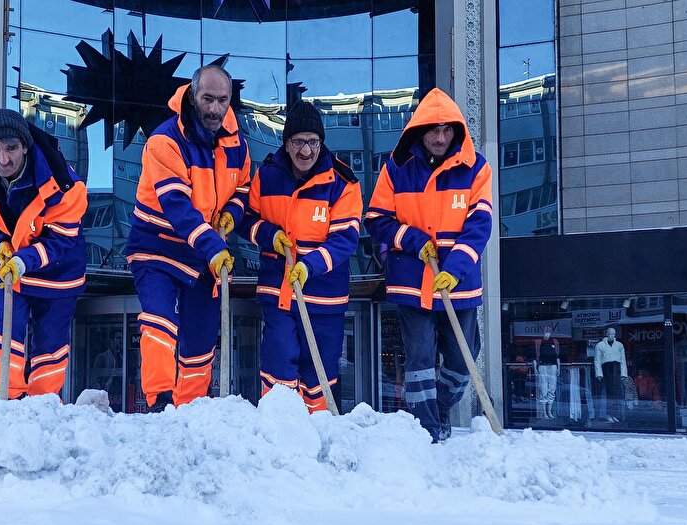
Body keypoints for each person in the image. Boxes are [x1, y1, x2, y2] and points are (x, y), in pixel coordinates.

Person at [364, 88, 494, 443]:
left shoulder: (476, 169)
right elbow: (376, 219)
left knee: (462, 361)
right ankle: (427, 431)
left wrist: (455, 268)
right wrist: (412, 240)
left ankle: (437, 412)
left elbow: (480, 224)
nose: (439, 137)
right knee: (420, 362)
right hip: (412, 282)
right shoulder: (396, 170)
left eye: (447, 129)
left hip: (460, 284)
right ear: (419, 130)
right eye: (433, 129)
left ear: (456, 132)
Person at [125, 65, 251, 412]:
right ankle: (160, 402)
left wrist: (232, 214)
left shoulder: (235, 141)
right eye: (207, 98)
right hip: (157, 246)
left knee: (201, 334)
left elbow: (243, 187)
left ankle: (192, 408)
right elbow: (177, 207)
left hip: (201, 251)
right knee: (161, 319)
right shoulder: (165, 141)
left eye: (222, 100)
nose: (214, 108)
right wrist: (214, 246)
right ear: (192, 95)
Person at [0, 108, 87, 399]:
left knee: (50, 342)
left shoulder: (64, 182)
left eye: (11, 148)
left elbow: (61, 239)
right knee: (6, 331)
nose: (3, 159)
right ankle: (8, 399)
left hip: (57, 271)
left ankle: (41, 406)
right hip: (7, 263)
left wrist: (24, 260)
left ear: (25, 146)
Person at [243, 99, 361, 411]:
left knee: (319, 378)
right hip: (279, 295)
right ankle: (278, 439)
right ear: (286, 142)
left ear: (322, 142)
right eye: (298, 141)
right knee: (278, 369)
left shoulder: (342, 183)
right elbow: (246, 220)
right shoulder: (266, 175)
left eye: (312, 142)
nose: (305, 151)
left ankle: (318, 437)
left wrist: (309, 266)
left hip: (324, 301)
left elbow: (345, 238)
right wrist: (269, 235)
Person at [594, 326, 626, 422]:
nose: (611, 335)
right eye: (610, 333)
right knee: (606, 394)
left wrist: (624, 373)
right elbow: (597, 360)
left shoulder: (619, 345)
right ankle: (605, 414)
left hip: (616, 369)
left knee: (617, 393)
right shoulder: (599, 345)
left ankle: (617, 415)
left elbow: (623, 360)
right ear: (606, 334)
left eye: (613, 334)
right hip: (606, 369)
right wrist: (599, 373)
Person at [535, 329, 561, 418]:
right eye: (546, 332)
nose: (547, 334)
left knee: (552, 388)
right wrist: (536, 368)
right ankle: (544, 412)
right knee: (543, 388)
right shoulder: (538, 342)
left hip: (553, 366)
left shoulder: (554, 342)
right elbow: (536, 356)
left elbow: (557, 356)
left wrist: (558, 367)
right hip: (543, 366)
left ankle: (549, 412)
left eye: (549, 332)